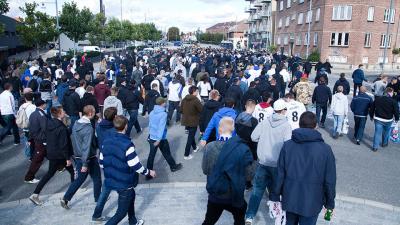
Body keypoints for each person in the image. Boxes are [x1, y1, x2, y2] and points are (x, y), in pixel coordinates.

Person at [270, 112, 336, 225]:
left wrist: (275, 195)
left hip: (290, 197)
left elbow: (279, 174)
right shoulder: (325, 150)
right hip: (312, 201)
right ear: (316, 126)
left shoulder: (287, 145)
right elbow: (330, 180)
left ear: (299, 124)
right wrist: (330, 203)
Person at [100, 115, 155, 225]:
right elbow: (135, 165)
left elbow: (102, 163)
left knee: (132, 195)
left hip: (112, 180)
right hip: (124, 183)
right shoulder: (127, 145)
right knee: (120, 213)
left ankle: (133, 221)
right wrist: (149, 172)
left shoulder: (106, 141)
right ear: (125, 126)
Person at [245, 99, 292, 225]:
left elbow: (253, 137)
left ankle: (249, 216)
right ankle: (276, 216)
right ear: (283, 110)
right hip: (277, 165)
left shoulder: (265, 122)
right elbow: (288, 146)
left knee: (257, 190)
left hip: (263, 162)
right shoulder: (286, 125)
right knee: (276, 191)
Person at [202, 117, 253, 225]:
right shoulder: (242, 148)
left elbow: (205, 170)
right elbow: (249, 176)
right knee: (239, 219)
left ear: (219, 129)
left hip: (215, 194)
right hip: (234, 195)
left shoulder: (210, 147)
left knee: (208, 221)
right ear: (233, 129)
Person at [29, 106, 74, 205]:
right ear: (59, 114)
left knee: (51, 173)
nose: (64, 112)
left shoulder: (49, 123)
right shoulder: (61, 128)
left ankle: (35, 194)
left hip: (52, 153)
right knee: (71, 171)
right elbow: (64, 144)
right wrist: (67, 158)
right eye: (63, 111)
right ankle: (73, 190)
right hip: (61, 155)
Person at [61, 105, 102, 209]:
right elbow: (87, 147)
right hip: (89, 158)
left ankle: (66, 198)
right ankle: (98, 199)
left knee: (80, 179)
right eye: (94, 112)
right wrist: (85, 163)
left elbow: (74, 140)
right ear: (90, 113)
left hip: (78, 156)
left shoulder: (76, 124)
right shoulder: (88, 128)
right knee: (97, 178)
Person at [92, 107, 118, 222]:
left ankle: (97, 214)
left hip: (103, 157)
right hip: (114, 158)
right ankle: (97, 214)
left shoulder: (98, 127)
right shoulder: (114, 130)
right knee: (109, 187)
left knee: (107, 186)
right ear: (114, 117)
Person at [147, 97, 182, 177]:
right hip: (160, 139)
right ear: (162, 103)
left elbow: (150, 125)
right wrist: (158, 140)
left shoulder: (152, 112)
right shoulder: (163, 114)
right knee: (167, 153)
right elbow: (161, 128)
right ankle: (173, 167)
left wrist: (151, 135)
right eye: (165, 102)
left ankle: (148, 174)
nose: (166, 103)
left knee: (151, 156)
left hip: (152, 137)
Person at [24, 99, 48, 183]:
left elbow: (31, 127)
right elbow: (45, 128)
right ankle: (29, 177)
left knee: (51, 153)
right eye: (45, 104)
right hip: (41, 139)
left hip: (36, 138)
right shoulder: (41, 115)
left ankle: (60, 166)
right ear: (42, 105)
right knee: (37, 159)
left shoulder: (33, 114)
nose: (46, 105)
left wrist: (30, 138)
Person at [369, 87, 399, 152]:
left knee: (377, 133)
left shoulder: (378, 99)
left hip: (378, 119)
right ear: (389, 93)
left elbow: (372, 108)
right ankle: (384, 143)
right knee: (386, 132)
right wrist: (397, 119)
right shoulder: (393, 101)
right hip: (388, 120)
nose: (392, 94)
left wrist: (371, 116)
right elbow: (396, 111)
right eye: (392, 93)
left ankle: (375, 147)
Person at [180, 86, 203, 160]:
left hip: (186, 120)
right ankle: (186, 154)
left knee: (191, 135)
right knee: (190, 137)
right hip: (193, 120)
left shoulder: (184, 99)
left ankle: (195, 147)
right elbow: (201, 110)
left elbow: (180, 109)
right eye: (197, 91)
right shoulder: (196, 100)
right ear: (194, 91)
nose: (197, 92)